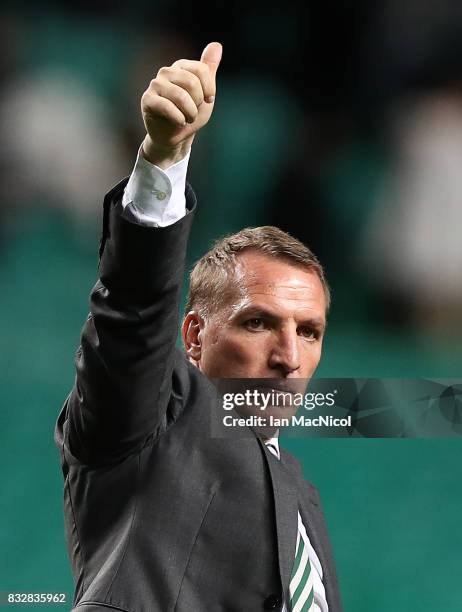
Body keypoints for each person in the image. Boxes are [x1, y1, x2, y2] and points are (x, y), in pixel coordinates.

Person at [55, 42, 342, 612]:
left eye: (308, 332)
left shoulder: (298, 494)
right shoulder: (150, 418)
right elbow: (133, 313)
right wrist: (164, 156)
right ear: (192, 336)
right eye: (259, 323)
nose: (289, 355)